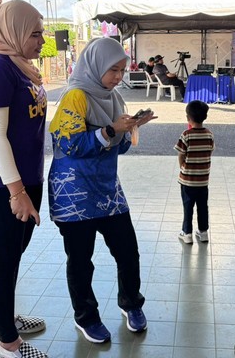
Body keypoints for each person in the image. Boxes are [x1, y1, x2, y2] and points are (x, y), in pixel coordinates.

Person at [48, 37, 156, 344]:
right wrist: (111, 130)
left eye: (122, 70)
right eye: (113, 70)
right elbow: (69, 145)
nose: (118, 77)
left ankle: (131, 304)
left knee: (128, 251)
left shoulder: (114, 98)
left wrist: (131, 128)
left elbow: (117, 148)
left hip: (107, 190)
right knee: (81, 260)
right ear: (96, 66)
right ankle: (86, 317)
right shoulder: (75, 96)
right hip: (74, 192)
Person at [0, 0, 49, 358]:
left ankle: (4, 319)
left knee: (13, 255)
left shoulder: (20, 66)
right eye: (35, 34)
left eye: (41, 33)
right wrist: (17, 192)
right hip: (2, 184)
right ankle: (8, 344)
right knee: (4, 259)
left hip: (25, 178)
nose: (42, 41)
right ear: (12, 32)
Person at [174, 100, 214, 244]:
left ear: (188, 118)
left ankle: (187, 233)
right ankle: (203, 232)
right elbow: (210, 151)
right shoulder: (209, 134)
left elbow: (181, 154)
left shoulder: (186, 135)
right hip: (203, 180)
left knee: (188, 207)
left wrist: (182, 167)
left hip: (187, 181)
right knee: (203, 207)